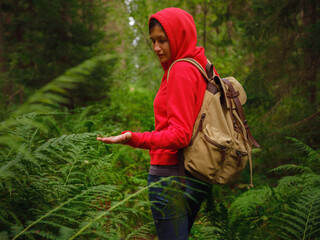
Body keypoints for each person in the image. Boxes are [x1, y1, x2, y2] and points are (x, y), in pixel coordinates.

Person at [97, 7, 219, 240]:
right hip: (196, 174)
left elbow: (180, 134)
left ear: (178, 36)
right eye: (153, 41)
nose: (156, 48)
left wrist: (133, 138)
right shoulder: (202, 65)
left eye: (162, 40)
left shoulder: (181, 70)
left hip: (171, 175)